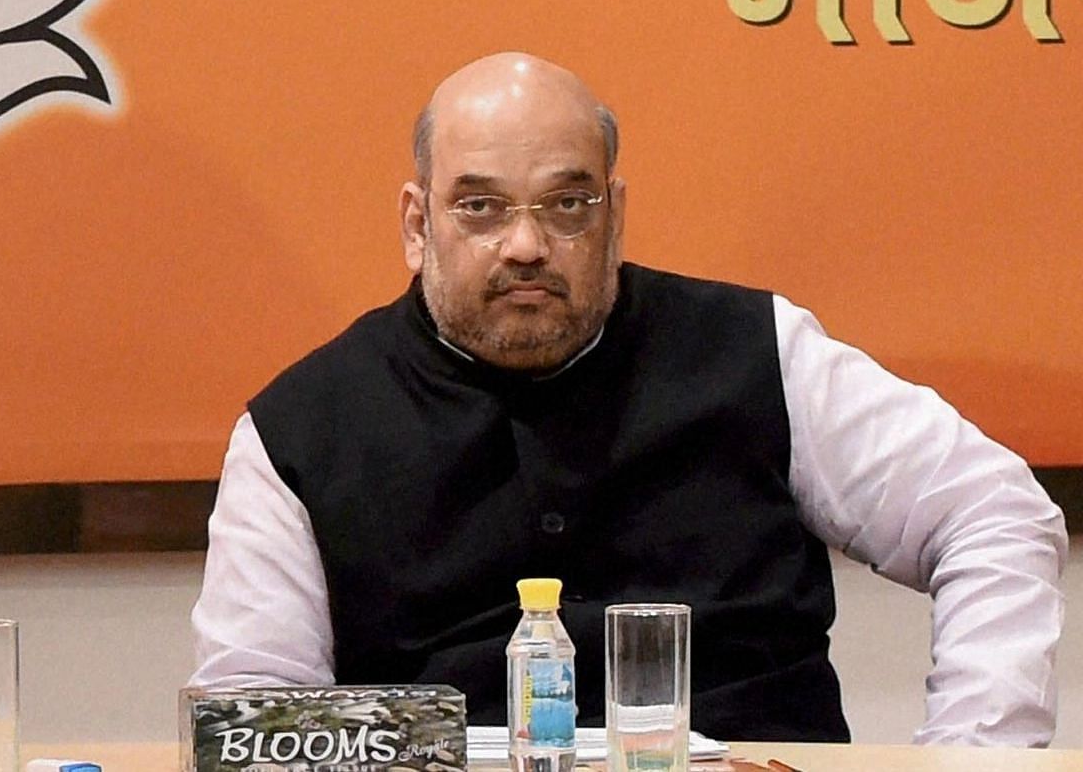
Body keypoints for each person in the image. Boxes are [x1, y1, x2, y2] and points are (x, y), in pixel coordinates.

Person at [189, 52, 1067, 745]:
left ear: (615, 215)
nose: (527, 244)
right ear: (418, 226)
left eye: (568, 204)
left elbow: (990, 509)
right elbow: (251, 722)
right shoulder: (299, 429)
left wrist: (975, 754)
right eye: (482, 208)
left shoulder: (757, 351)